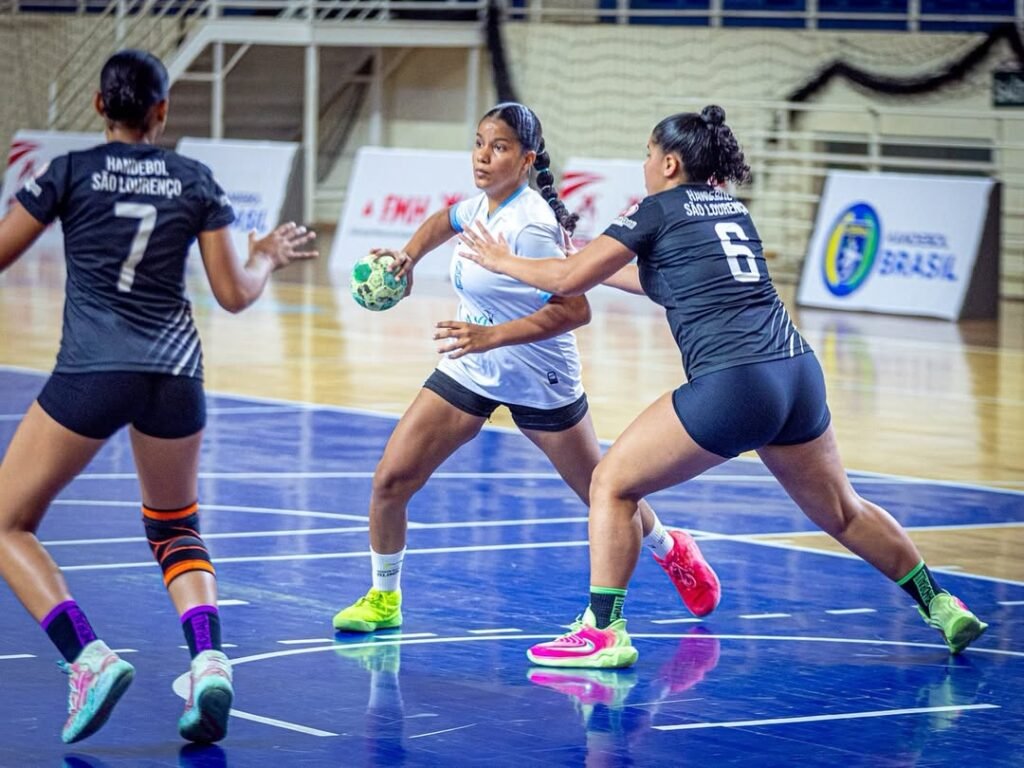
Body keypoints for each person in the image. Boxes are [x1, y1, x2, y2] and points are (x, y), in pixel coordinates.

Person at [459, 105, 988, 668]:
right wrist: (587, 261)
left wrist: (503, 259)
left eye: (647, 155)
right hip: (797, 375)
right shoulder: (731, 209)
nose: (644, 165)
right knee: (843, 510)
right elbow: (660, 281)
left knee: (610, 484)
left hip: (735, 383)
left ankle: (603, 630)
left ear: (669, 163)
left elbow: (568, 280)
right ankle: (941, 603)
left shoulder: (655, 209)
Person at [0, 49, 317, 742]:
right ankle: (209, 664)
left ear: (98, 105)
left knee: (6, 523)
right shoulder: (193, 178)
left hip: (92, 372)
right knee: (175, 527)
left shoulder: (69, 172)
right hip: (176, 376)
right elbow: (234, 293)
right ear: (162, 111)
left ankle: (88, 658)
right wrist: (265, 254)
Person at [332, 102, 719, 635]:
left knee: (601, 493)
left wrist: (490, 335)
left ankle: (670, 548)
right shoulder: (480, 207)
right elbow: (444, 220)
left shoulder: (532, 225)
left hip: (540, 378)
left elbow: (574, 310)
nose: (483, 156)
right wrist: (409, 257)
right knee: (391, 480)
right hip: (471, 366)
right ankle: (384, 598)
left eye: (499, 147)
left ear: (526, 159)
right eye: (479, 143)